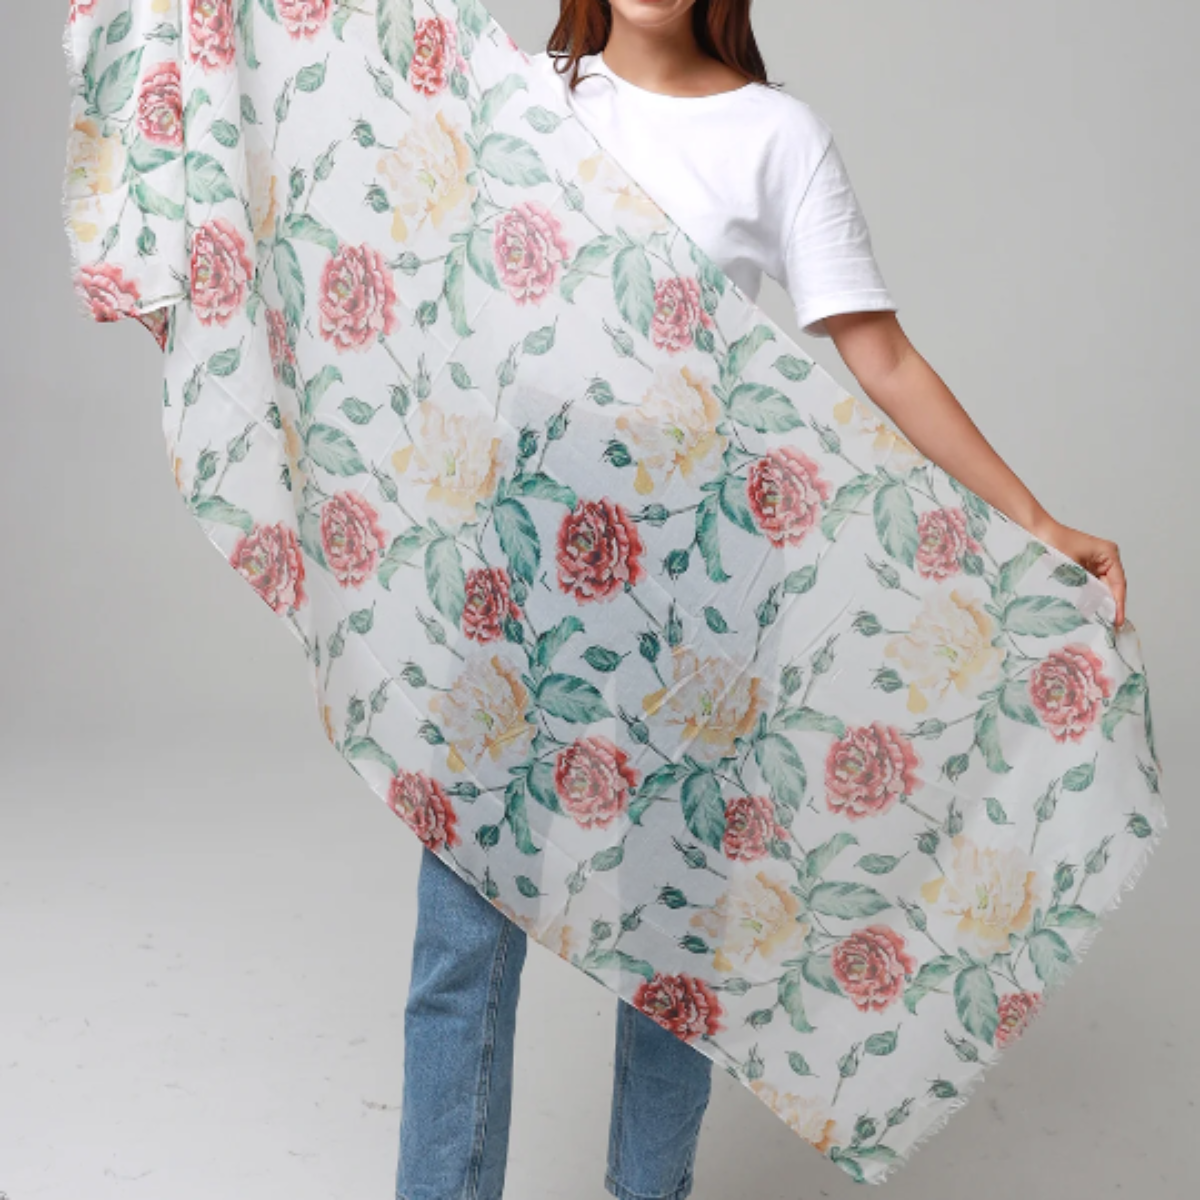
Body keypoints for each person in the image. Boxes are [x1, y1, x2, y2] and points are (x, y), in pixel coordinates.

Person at [395, 3, 1129, 1199]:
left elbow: (878, 354)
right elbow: (381, 226)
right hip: (519, 552)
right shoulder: (513, 96)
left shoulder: (774, 134)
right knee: (464, 938)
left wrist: (1035, 522)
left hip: (702, 573)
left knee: (675, 947)